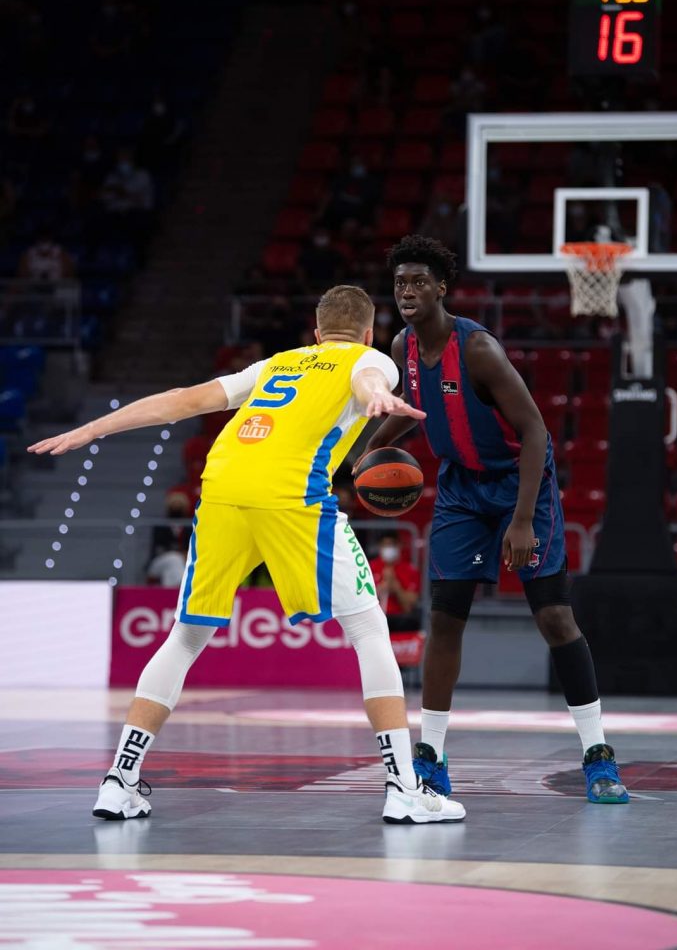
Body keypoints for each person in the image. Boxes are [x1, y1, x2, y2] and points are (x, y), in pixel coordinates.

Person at [28, 284, 465, 826]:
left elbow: (183, 400)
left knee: (185, 636)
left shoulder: (276, 364)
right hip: (290, 493)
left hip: (222, 488)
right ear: (368, 332)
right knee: (368, 629)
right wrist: (378, 394)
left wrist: (94, 428)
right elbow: (367, 377)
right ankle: (403, 787)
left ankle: (119, 780)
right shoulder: (370, 359)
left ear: (316, 331)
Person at [356, 235, 629, 805]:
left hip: (519, 484)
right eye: (400, 283)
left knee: (554, 617)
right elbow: (413, 409)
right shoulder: (403, 345)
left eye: (419, 282)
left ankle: (598, 755)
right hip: (461, 490)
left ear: (441, 288)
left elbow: (535, 432)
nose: (408, 291)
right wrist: (366, 454)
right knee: (445, 619)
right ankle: (431, 757)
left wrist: (522, 519)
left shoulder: (477, 349)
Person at [370, 534, 421, 632]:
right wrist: (382, 587)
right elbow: (363, 598)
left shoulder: (410, 570)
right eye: (385, 545)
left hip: (400, 619)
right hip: (376, 618)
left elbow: (409, 606)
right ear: (380, 546)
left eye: (391, 545)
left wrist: (397, 588)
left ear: (399, 546)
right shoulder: (370, 567)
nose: (388, 548)